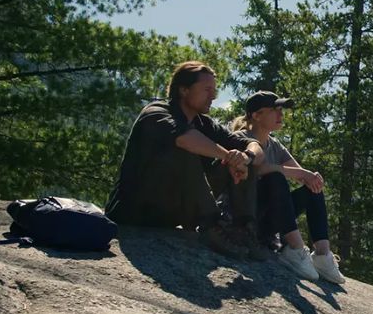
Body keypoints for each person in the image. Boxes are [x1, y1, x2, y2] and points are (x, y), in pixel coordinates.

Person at [105, 61, 270, 260]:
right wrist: (229, 156)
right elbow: (186, 139)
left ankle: (244, 231)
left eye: (214, 90)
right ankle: (212, 225)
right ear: (184, 90)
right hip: (135, 211)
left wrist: (246, 157)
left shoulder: (205, 123)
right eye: (207, 89)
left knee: (245, 159)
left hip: (172, 212)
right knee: (185, 148)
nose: (214, 96)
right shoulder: (156, 112)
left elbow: (255, 145)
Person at [231, 91, 345, 284]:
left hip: (267, 219)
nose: (280, 115)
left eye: (281, 110)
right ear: (256, 115)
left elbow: (299, 173)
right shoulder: (239, 138)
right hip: (244, 217)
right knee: (275, 177)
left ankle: (322, 255)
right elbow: (258, 169)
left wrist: (311, 177)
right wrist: (299, 173)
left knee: (312, 188)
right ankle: (295, 249)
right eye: (274, 110)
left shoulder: (274, 144)